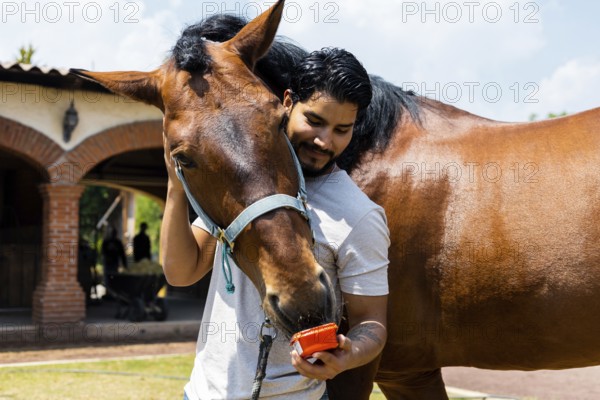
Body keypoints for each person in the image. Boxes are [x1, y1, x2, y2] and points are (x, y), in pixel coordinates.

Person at [161, 47, 389, 399]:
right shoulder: (242, 174)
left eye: (341, 129)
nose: (324, 140)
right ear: (287, 102)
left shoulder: (359, 215)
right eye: (314, 120)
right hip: (204, 392)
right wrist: (176, 187)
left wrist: (348, 355)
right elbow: (182, 271)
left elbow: (372, 323)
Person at [101, 227, 127, 292]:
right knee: (107, 278)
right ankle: (108, 292)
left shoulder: (118, 242)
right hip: (108, 263)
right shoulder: (107, 242)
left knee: (114, 277)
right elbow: (103, 252)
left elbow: (122, 254)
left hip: (114, 263)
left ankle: (113, 292)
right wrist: (107, 258)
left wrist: (125, 265)